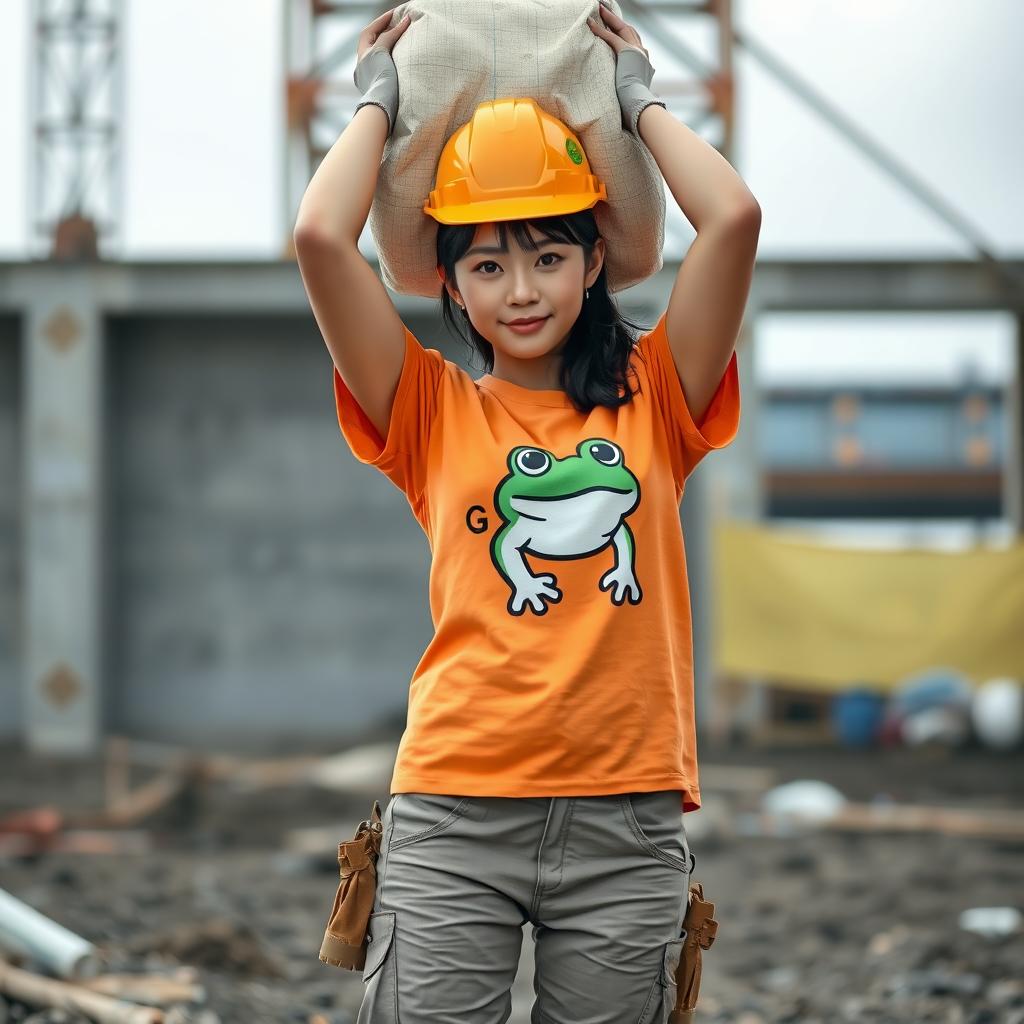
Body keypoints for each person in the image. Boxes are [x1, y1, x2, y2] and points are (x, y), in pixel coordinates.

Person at [294, 3, 760, 1021]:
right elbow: (320, 238)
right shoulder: (427, 409)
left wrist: (637, 102)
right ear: (453, 287)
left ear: (594, 263)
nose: (520, 289)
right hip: (454, 812)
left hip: (627, 823)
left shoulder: (656, 393)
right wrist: (379, 97)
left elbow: (732, 220)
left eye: (548, 255)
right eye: (488, 262)